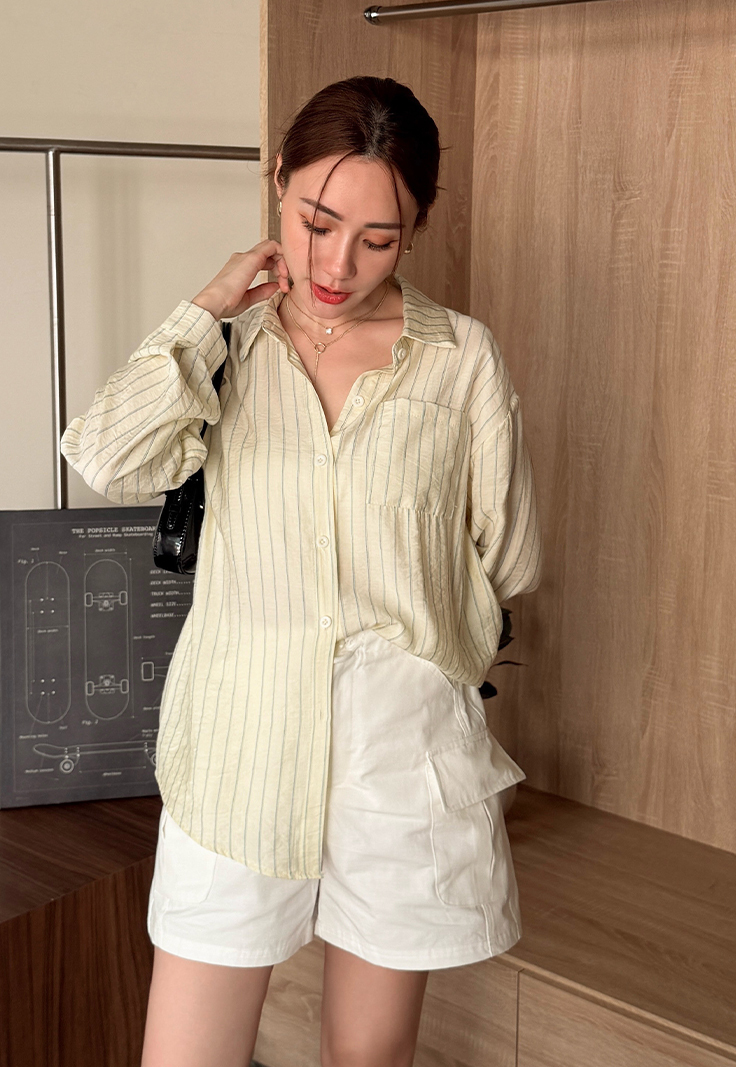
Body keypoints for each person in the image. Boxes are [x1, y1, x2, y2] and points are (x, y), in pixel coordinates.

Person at [61, 75, 543, 1067]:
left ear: (416, 227)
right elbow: (103, 457)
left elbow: (508, 556)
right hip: (238, 743)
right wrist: (206, 306)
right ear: (277, 177)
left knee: (368, 1058)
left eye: (379, 238)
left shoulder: (460, 360)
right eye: (317, 222)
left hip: (399, 749)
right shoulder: (225, 349)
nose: (337, 263)